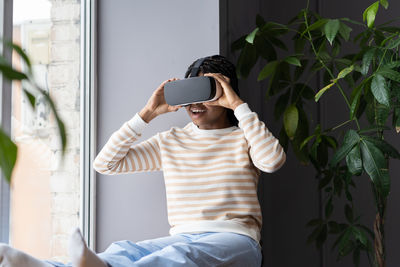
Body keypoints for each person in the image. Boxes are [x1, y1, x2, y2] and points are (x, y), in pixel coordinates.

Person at [0, 55, 285, 267]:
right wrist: (147, 113)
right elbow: (106, 163)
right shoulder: (171, 141)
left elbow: (272, 161)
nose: (195, 103)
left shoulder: (246, 136)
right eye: (190, 92)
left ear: (225, 91)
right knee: (126, 251)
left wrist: (238, 106)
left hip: (237, 241)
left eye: (206, 91)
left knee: (177, 258)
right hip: (183, 235)